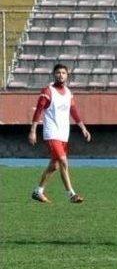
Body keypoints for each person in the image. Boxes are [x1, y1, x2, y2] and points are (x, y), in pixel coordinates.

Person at [28, 63, 91, 204]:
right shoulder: (48, 91)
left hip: (63, 133)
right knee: (63, 161)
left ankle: (38, 191)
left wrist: (83, 128)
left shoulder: (68, 93)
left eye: (63, 73)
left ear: (67, 76)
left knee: (55, 165)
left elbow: (73, 111)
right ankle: (71, 194)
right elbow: (38, 111)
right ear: (53, 74)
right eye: (58, 72)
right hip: (51, 132)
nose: (60, 75)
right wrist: (33, 131)